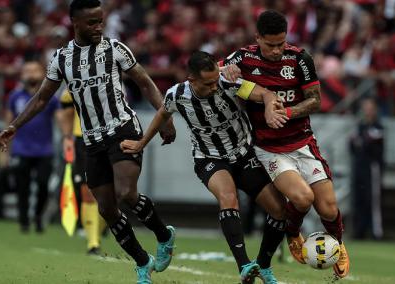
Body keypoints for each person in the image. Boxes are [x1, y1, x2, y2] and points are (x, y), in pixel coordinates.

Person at [0, 0, 177, 282]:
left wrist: (164, 117)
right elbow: (43, 98)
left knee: (126, 193)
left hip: (122, 129)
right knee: (106, 209)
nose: (98, 27)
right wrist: (14, 125)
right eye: (92, 22)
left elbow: (145, 82)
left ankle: (164, 235)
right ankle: (143, 262)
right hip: (91, 140)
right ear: (75, 23)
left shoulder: (116, 49)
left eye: (100, 21)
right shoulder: (61, 58)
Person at [121, 51, 288, 284]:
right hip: (209, 158)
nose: (214, 87)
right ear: (192, 80)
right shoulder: (177, 95)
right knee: (228, 197)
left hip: (243, 154)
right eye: (208, 83)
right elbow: (162, 113)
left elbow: (265, 93)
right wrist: (142, 143)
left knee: (280, 210)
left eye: (215, 80)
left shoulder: (229, 82)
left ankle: (264, 265)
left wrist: (270, 105)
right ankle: (244, 265)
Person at [221, 10, 350, 278]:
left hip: (303, 143)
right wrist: (226, 68)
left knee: (328, 208)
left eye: (281, 43)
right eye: (271, 45)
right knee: (303, 198)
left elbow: (315, 100)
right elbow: (210, 70)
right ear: (257, 38)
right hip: (268, 148)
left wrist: (287, 112)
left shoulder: (300, 59)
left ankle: (338, 244)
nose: (278, 50)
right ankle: (292, 233)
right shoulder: (244, 58)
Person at [5, 60, 59, 233]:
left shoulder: (50, 96)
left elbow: (59, 118)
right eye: (27, 70)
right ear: (22, 75)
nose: (31, 74)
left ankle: (37, 215)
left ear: (42, 73)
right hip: (21, 148)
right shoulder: (15, 96)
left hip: (45, 149)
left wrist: (68, 137)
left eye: (34, 70)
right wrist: (5, 148)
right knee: (23, 187)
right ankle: (23, 220)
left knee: (43, 184)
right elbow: (8, 122)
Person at [57, 89, 106, 255]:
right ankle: (93, 242)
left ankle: (100, 229)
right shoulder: (72, 87)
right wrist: (66, 137)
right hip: (83, 141)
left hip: (110, 138)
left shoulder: (111, 80)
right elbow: (67, 112)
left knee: (109, 192)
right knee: (87, 191)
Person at [350, 97, 384, 240]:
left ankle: (376, 232)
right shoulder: (360, 127)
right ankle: (360, 231)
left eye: (370, 108)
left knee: (372, 200)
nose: (367, 111)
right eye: (365, 108)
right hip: (359, 166)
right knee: (359, 198)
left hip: (372, 168)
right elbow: (353, 145)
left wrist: (360, 141)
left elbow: (370, 144)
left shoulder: (378, 127)